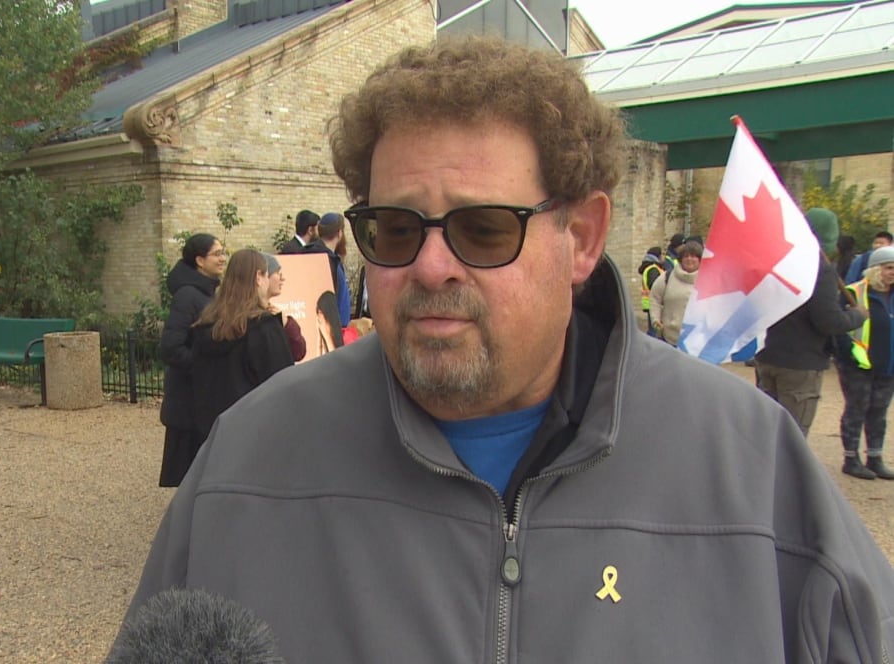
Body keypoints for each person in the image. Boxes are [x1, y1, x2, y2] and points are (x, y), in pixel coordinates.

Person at [115, 37, 894, 662]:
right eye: (395, 229)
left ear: (582, 237)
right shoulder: (249, 465)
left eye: (483, 228)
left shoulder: (754, 470)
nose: (429, 265)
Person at [754, 207, 867, 437]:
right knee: (792, 438)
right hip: (801, 363)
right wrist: (858, 315)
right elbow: (829, 321)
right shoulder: (819, 269)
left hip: (768, 355)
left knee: (766, 432)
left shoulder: (779, 261)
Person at [190, 249, 294, 439]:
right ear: (258, 277)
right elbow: (282, 386)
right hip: (254, 435)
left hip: (212, 433)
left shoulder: (206, 324)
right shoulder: (264, 328)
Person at [155, 234, 226, 487]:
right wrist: (204, 367)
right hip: (188, 401)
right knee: (190, 476)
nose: (222, 258)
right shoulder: (187, 295)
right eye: (216, 254)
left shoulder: (208, 292)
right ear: (199, 260)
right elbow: (171, 347)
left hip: (202, 399)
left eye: (222, 252)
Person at [838, 245, 894, 479]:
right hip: (858, 364)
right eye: (889, 268)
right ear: (874, 269)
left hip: (888, 365)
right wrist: (849, 355)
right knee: (857, 409)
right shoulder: (853, 292)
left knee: (879, 412)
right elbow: (839, 329)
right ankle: (851, 459)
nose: (893, 273)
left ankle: (875, 458)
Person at [647, 240, 701, 345]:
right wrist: (655, 319)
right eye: (686, 256)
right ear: (680, 259)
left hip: (698, 343)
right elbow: (655, 298)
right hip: (670, 340)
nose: (689, 259)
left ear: (699, 259)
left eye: (693, 256)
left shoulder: (710, 279)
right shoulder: (667, 278)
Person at [262, 252, 306, 362]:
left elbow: (299, 351)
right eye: (277, 272)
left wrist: (287, 323)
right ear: (262, 277)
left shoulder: (275, 314)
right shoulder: (262, 318)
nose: (282, 278)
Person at [311, 212, 352, 326]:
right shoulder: (334, 264)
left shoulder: (305, 255)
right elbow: (342, 308)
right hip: (332, 330)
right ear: (339, 233)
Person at [637, 246, 665, 335]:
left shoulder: (649, 268)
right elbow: (654, 285)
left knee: (653, 329)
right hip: (654, 302)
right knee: (654, 331)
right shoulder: (653, 269)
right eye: (662, 255)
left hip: (649, 302)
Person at [314, 290, 343, 355]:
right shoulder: (325, 343)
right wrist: (319, 338)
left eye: (321, 313)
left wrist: (328, 337)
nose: (321, 323)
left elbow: (337, 363)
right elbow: (318, 363)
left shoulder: (348, 335)